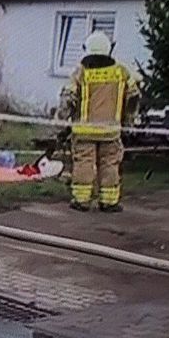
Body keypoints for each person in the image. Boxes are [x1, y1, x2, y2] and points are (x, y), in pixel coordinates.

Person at [56, 30, 140, 212]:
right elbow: (133, 97)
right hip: (111, 130)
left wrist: (61, 123)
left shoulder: (81, 72)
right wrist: (128, 121)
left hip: (84, 131)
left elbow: (68, 99)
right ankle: (109, 201)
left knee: (84, 163)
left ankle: (81, 200)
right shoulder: (121, 72)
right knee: (110, 163)